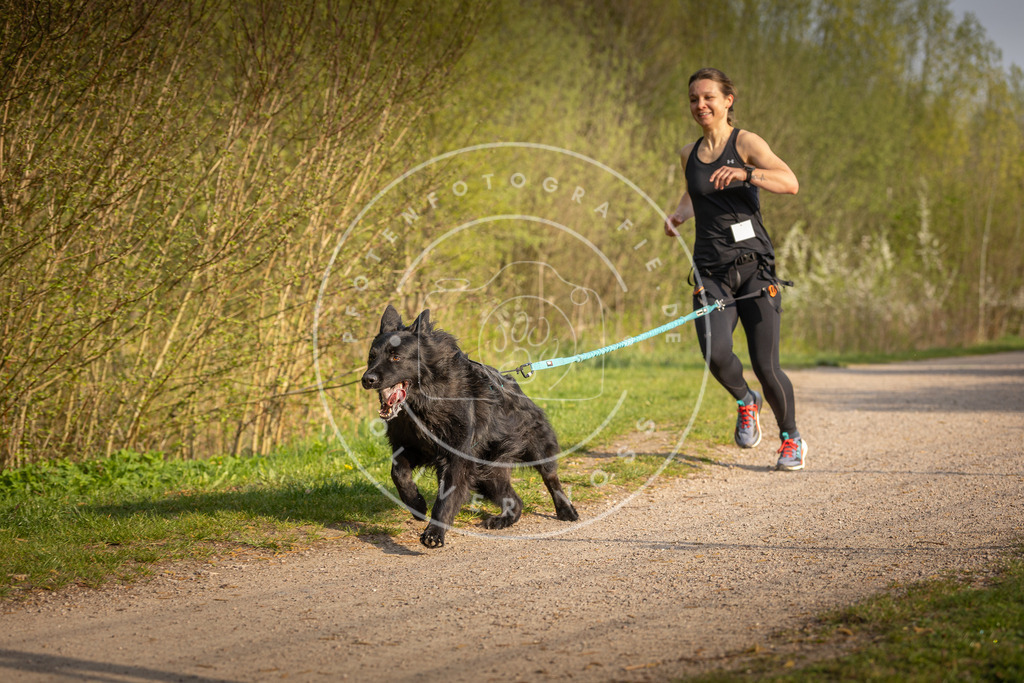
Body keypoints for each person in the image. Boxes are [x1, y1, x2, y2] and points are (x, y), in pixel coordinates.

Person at [664, 67, 806, 470]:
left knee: (766, 364)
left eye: (708, 97)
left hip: (754, 269)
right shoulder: (688, 153)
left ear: (728, 100)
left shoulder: (745, 142)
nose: (700, 105)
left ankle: (791, 437)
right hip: (710, 271)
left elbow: (789, 181)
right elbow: (696, 194)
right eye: (693, 99)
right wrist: (678, 215)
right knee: (715, 351)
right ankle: (746, 401)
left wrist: (746, 172)